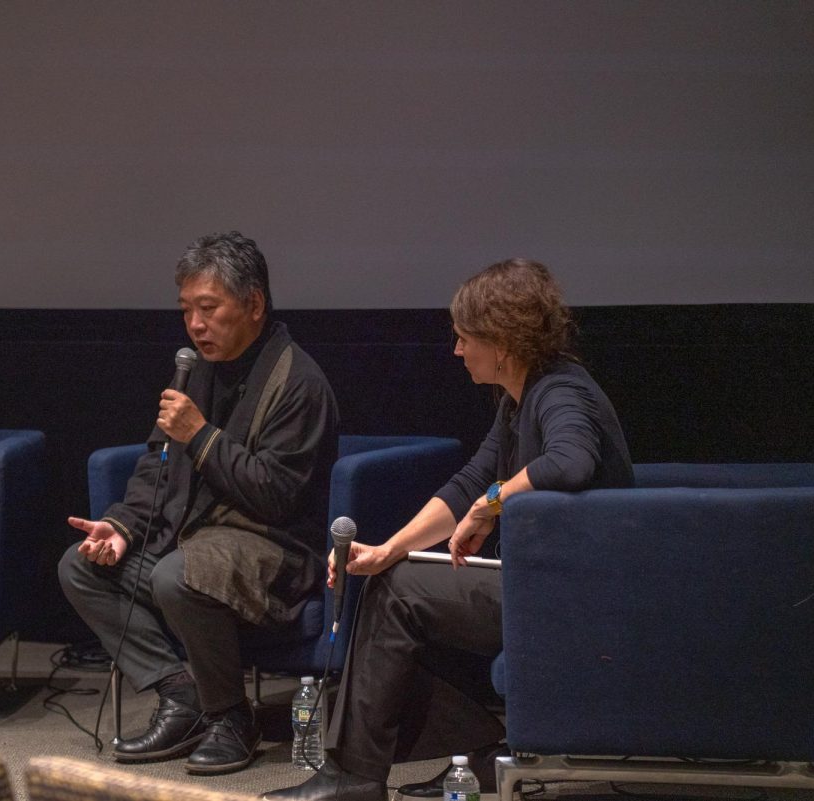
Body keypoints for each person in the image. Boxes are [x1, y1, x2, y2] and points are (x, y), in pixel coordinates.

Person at [263, 259, 633, 801]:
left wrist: (490, 507)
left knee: (399, 593)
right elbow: (469, 482)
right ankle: (471, 749)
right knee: (394, 574)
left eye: (464, 338)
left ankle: (356, 778)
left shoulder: (559, 393)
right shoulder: (516, 398)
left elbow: (569, 462)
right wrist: (390, 548)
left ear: (501, 341)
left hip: (580, 598)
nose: (456, 351)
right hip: (548, 586)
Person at [58, 231, 340, 775]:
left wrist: (202, 435)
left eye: (208, 309)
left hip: (274, 549)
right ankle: (182, 695)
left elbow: (276, 496)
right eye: (186, 310)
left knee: (176, 575)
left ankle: (232, 718)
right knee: (81, 565)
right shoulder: (197, 371)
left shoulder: (299, 382)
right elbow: (156, 466)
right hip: (189, 539)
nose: (195, 325)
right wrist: (120, 527)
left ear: (254, 305)